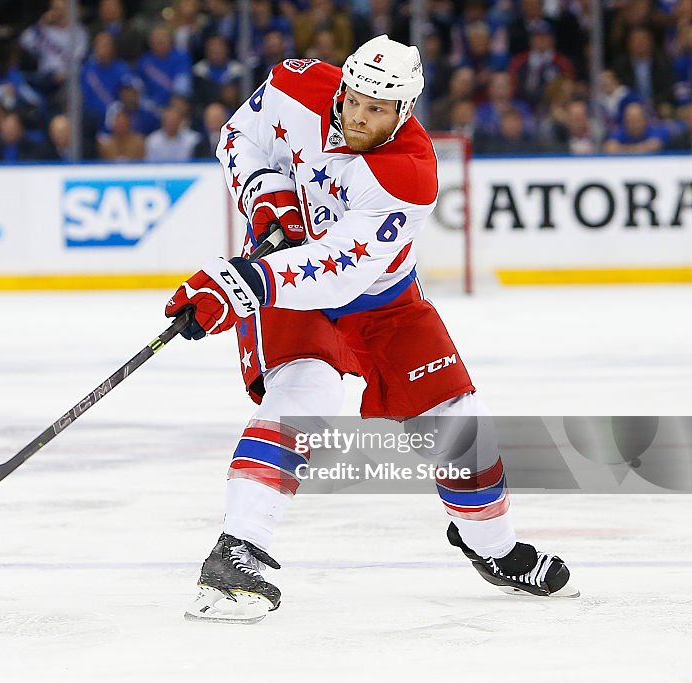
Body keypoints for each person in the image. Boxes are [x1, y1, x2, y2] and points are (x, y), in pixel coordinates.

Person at [164, 36, 578, 624]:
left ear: (404, 111)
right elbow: (239, 135)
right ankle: (237, 551)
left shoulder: (409, 172)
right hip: (288, 278)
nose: (358, 116)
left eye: (377, 110)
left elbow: (339, 272)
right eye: (354, 100)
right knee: (307, 392)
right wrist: (267, 195)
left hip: (373, 295)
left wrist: (240, 284)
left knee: (456, 421)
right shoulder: (295, 84)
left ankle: (494, 547)